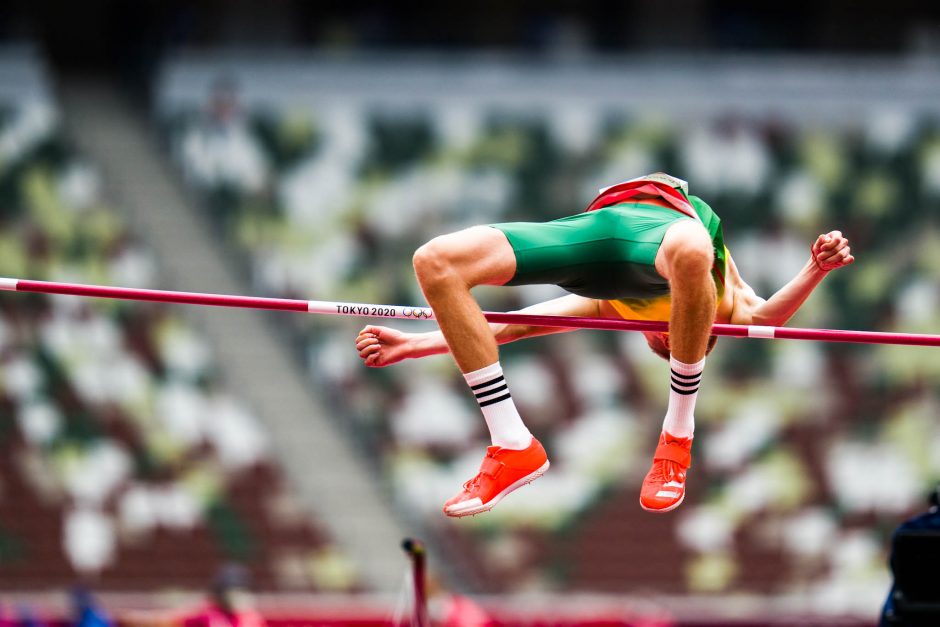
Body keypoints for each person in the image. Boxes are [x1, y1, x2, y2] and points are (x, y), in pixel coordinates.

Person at [355, 173, 854, 517]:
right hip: (599, 228)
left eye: (665, 342)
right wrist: (817, 268)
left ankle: (676, 437)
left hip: (663, 240)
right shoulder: (719, 309)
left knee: (693, 248)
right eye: (667, 340)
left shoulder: (632, 305)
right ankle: (512, 443)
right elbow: (770, 315)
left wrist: (414, 346)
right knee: (435, 260)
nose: (663, 335)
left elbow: (512, 327)